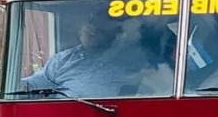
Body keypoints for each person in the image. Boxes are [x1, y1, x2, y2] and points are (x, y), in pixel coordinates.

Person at [22, 11, 151, 98]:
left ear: (114, 36)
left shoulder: (128, 61)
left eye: (99, 30)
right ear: (80, 31)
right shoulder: (62, 60)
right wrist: (7, 87)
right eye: (89, 28)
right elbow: (35, 84)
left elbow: (147, 92)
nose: (92, 32)